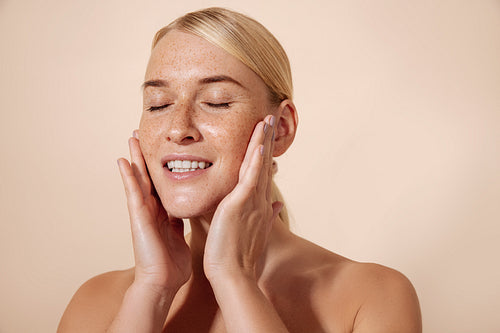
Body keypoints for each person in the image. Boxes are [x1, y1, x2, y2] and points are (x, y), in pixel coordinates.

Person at [57, 7, 421, 333]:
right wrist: (152, 289)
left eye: (217, 102)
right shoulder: (96, 304)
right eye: (159, 104)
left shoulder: (370, 297)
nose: (178, 127)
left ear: (280, 128)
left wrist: (235, 281)